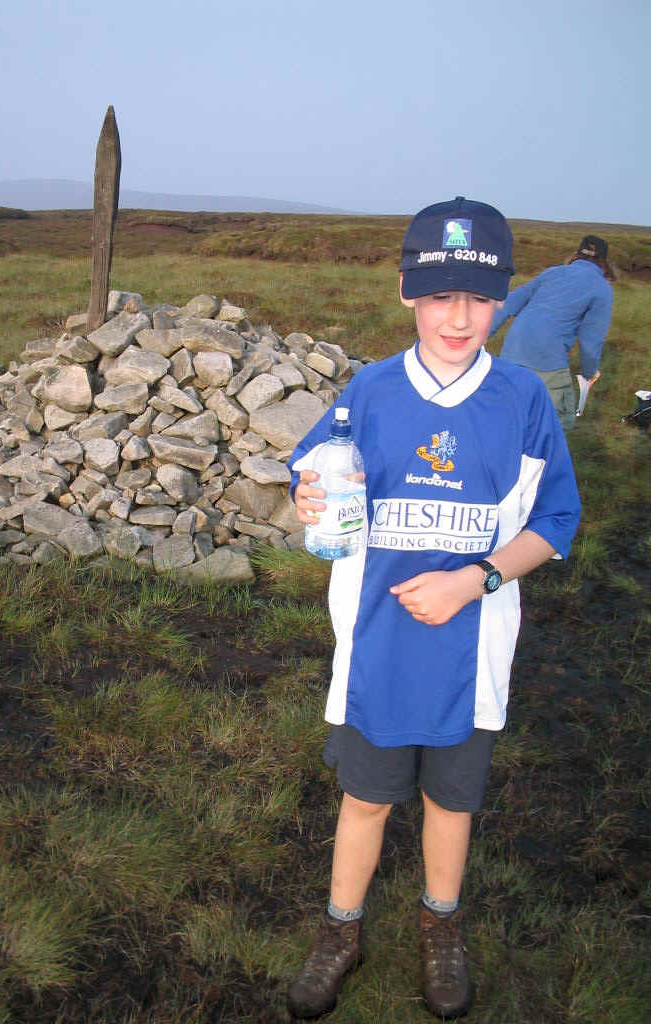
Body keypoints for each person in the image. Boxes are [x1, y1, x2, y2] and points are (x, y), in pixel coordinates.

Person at [286, 196, 581, 1020]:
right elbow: (312, 472)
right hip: (377, 649)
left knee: (452, 803)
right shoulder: (371, 391)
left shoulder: (522, 400)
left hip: (472, 654)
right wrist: (310, 492)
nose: (461, 316)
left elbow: (556, 520)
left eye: (481, 297)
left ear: (503, 299)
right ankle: (341, 930)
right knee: (367, 798)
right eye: (442, 295)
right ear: (409, 293)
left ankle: (439, 926)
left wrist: (474, 580)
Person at [488, 234, 613, 430]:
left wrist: (481, 335)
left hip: (513, 348)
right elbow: (591, 340)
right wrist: (589, 373)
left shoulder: (552, 273)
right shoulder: (602, 289)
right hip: (548, 358)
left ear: (577, 254)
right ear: (604, 262)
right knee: (556, 424)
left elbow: (509, 303)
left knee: (507, 414)